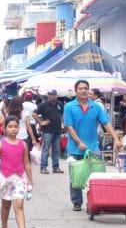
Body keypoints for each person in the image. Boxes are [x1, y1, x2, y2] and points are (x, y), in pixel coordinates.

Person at [63, 79, 115, 211]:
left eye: (86, 88)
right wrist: (79, 142)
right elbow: (68, 126)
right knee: (76, 176)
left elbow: (106, 123)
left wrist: (116, 138)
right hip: (75, 149)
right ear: (76, 91)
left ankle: (93, 202)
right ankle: (77, 202)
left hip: (93, 148)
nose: (83, 90)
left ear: (89, 90)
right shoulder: (69, 107)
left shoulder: (96, 107)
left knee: (95, 177)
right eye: (80, 88)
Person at [0, 115, 34, 228]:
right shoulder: (0, 144)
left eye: (15, 127)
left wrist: (30, 179)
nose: (13, 129)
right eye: (10, 126)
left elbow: (27, 163)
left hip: (20, 178)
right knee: (6, 205)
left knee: (19, 205)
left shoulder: (23, 144)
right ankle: (4, 227)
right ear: (4, 129)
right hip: (5, 178)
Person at [35, 90, 64, 174]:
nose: (49, 96)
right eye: (49, 94)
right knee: (45, 149)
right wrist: (41, 122)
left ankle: (56, 167)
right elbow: (34, 114)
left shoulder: (60, 104)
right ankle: (43, 168)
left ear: (56, 95)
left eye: (51, 95)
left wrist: (62, 124)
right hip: (47, 130)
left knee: (56, 150)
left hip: (57, 129)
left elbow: (62, 114)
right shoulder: (43, 104)